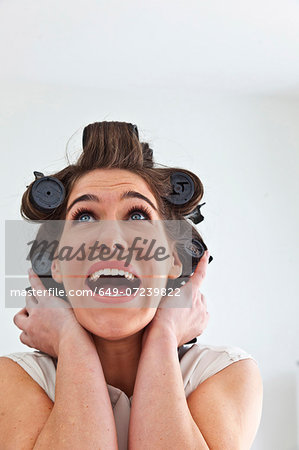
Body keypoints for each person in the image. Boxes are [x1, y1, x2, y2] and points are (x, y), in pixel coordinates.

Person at [0, 121, 263, 449]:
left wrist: (163, 336)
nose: (110, 239)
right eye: (84, 217)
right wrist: (71, 342)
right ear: (58, 265)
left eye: (137, 215)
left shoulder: (224, 372)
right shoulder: (14, 378)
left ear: (173, 261)